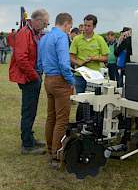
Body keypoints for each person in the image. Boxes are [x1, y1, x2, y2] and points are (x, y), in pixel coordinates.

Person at [9, 9, 49, 154]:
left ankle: (29, 139)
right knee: (28, 111)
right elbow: (21, 59)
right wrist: (34, 76)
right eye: (45, 23)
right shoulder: (25, 33)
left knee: (31, 111)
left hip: (31, 76)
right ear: (37, 20)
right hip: (29, 78)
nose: (45, 26)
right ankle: (27, 145)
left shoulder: (31, 32)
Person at [37, 13, 75, 168]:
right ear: (66, 24)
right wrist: (71, 82)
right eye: (70, 27)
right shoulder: (61, 37)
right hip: (60, 81)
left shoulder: (44, 37)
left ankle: (50, 148)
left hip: (48, 79)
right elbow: (64, 64)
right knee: (62, 119)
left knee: (51, 117)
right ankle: (56, 155)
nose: (69, 30)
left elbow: (39, 63)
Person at [70, 14, 109, 93]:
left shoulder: (99, 39)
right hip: (80, 75)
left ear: (94, 26)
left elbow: (106, 57)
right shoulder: (77, 39)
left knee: (93, 101)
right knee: (81, 99)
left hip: (95, 76)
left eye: (89, 26)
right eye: (85, 25)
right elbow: (71, 57)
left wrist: (94, 58)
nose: (86, 28)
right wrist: (80, 62)